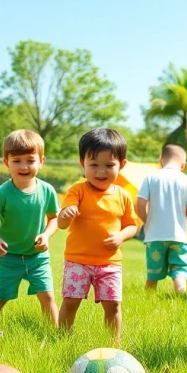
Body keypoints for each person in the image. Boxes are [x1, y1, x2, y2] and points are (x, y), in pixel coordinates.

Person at [58, 128, 139, 342]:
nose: (100, 171)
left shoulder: (123, 196)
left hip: (109, 263)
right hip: (78, 260)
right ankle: (62, 338)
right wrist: (66, 214)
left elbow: (132, 225)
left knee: (112, 305)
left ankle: (114, 342)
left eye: (109, 165)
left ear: (121, 165)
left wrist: (121, 237)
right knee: (71, 301)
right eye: (93, 165)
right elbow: (62, 223)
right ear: (82, 163)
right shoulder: (78, 190)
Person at [0, 130, 59, 323]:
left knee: (48, 296)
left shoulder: (47, 191)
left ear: (41, 161)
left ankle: (59, 335)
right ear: (6, 162)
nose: (24, 166)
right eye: (16, 160)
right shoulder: (2, 193)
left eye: (30, 160)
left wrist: (46, 235)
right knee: (2, 298)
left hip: (37, 256)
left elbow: (54, 218)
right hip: (9, 257)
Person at [137, 144, 187, 295]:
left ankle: (148, 299)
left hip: (155, 236)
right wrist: (183, 220)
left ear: (161, 160)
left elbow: (140, 203)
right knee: (179, 270)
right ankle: (181, 295)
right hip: (179, 236)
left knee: (153, 274)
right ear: (183, 165)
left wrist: (147, 221)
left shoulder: (151, 177)